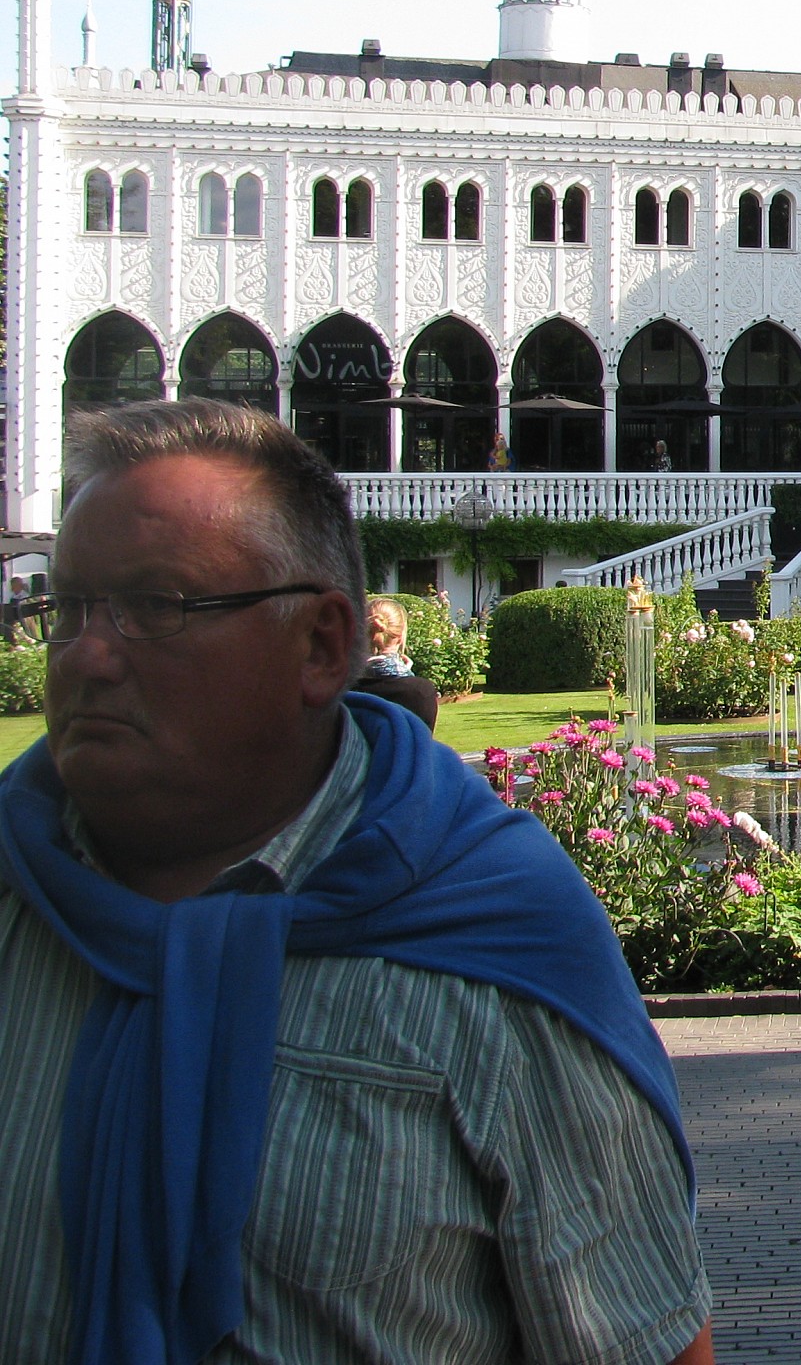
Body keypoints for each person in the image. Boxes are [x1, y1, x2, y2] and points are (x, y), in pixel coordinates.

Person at [0, 400, 712, 1362]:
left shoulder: (493, 946)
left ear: (324, 646)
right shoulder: (17, 897)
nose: (85, 654)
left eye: (156, 608)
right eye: (70, 608)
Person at [349, 592, 441, 730]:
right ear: (399, 636)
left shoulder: (339, 688)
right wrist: (407, 675)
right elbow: (421, 745)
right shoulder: (420, 692)